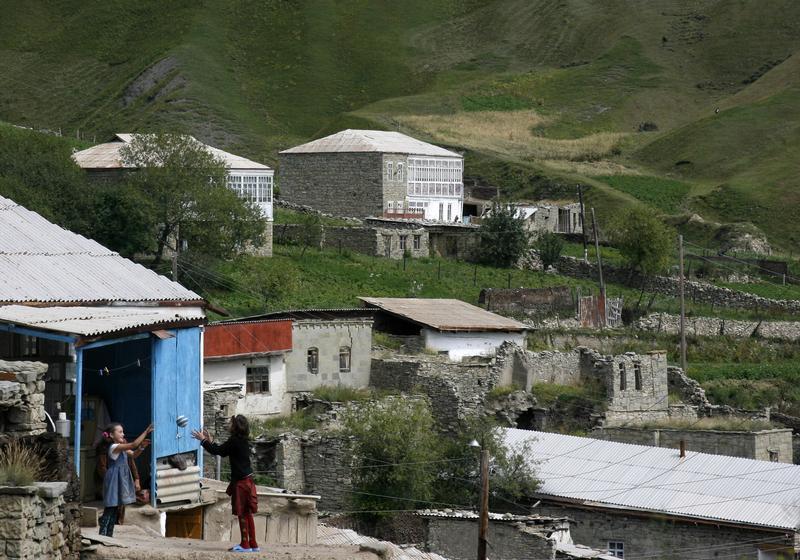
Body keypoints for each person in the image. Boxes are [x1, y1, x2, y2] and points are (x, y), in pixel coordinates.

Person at [192, 415, 259, 553]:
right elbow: (222, 451)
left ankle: (245, 545)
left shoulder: (234, 441)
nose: (228, 424)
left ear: (235, 426)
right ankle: (253, 544)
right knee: (248, 514)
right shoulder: (242, 441)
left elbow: (219, 452)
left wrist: (203, 440)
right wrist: (210, 441)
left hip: (241, 483)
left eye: (231, 422)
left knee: (242, 514)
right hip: (248, 481)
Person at [97, 422, 153, 537]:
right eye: (120, 432)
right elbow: (133, 445)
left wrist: (142, 446)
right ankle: (102, 534)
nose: (123, 434)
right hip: (113, 479)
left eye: (123, 432)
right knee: (110, 507)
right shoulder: (114, 447)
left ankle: (108, 535)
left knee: (114, 508)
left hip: (119, 478)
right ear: (112, 435)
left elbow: (133, 454)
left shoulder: (121, 446)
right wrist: (146, 432)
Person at [95, 436, 150, 523]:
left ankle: (117, 521)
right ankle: (107, 523)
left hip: (121, 480)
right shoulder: (109, 449)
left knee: (122, 501)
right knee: (112, 504)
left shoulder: (124, 447)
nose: (123, 435)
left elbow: (132, 460)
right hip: (110, 480)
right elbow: (102, 468)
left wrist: (137, 479)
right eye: (120, 432)